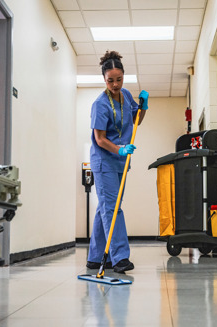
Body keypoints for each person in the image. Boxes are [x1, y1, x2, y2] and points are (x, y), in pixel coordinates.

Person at [87, 50, 149, 273]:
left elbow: (135, 120)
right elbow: (100, 139)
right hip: (104, 161)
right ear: (104, 79)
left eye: (119, 79)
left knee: (106, 208)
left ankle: (95, 257)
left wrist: (143, 107)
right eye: (110, 80)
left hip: (121, 162)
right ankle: (120, 257)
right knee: (112, 209)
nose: (115, 84)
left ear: (124, 76)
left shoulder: (127, 96)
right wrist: (121, 149)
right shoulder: (100, 104)